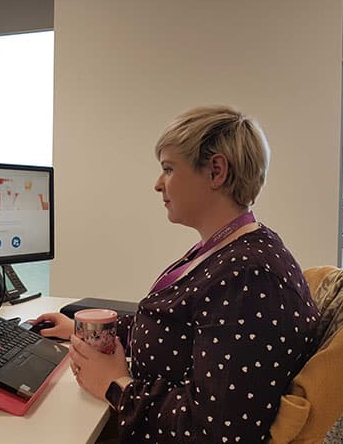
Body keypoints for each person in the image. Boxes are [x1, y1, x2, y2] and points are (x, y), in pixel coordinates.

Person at [31, 106, 321, 443]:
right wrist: (86, 330)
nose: (158, 184)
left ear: (216, 171)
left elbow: (214, 433)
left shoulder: (249, 278)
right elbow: (177, 328)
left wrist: (116, 386)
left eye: (168, 169)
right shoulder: (225, 248)